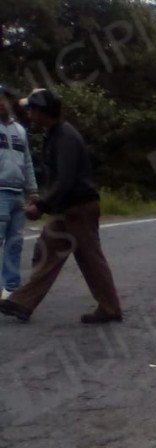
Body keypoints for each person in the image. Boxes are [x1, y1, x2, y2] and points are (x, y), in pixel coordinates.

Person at [0, 89, 122, 324]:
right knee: (46, 251)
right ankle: (22, 302)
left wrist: (42, 206)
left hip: (79, 208)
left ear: (41, 111)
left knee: (90, 258)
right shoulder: (55, 134)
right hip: (68, 208)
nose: (29, 113)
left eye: (32, 109)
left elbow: (65, 179)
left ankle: (110, 308)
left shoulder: (65, 136)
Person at [0, 84, 38, 299]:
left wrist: (33, 192)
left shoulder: (20, 130)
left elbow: (28, 162)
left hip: (17, 193)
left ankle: (11, 288)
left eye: (5, 99)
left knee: (15, 242)